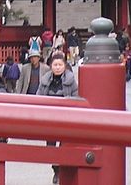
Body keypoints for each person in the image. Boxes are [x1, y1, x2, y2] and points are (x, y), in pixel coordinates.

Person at [37, 52, 78, 184]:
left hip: (66, 119)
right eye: (55, 64)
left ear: (65, 66)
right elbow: (39, 97)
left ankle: (63, 171)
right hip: (49, 119)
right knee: (51, 147)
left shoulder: (71, 80)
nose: (58, 67)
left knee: (65, 146)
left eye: (60, 64)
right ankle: (56, 169)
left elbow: (76, 98)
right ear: (50, 66)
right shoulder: (44, 81)